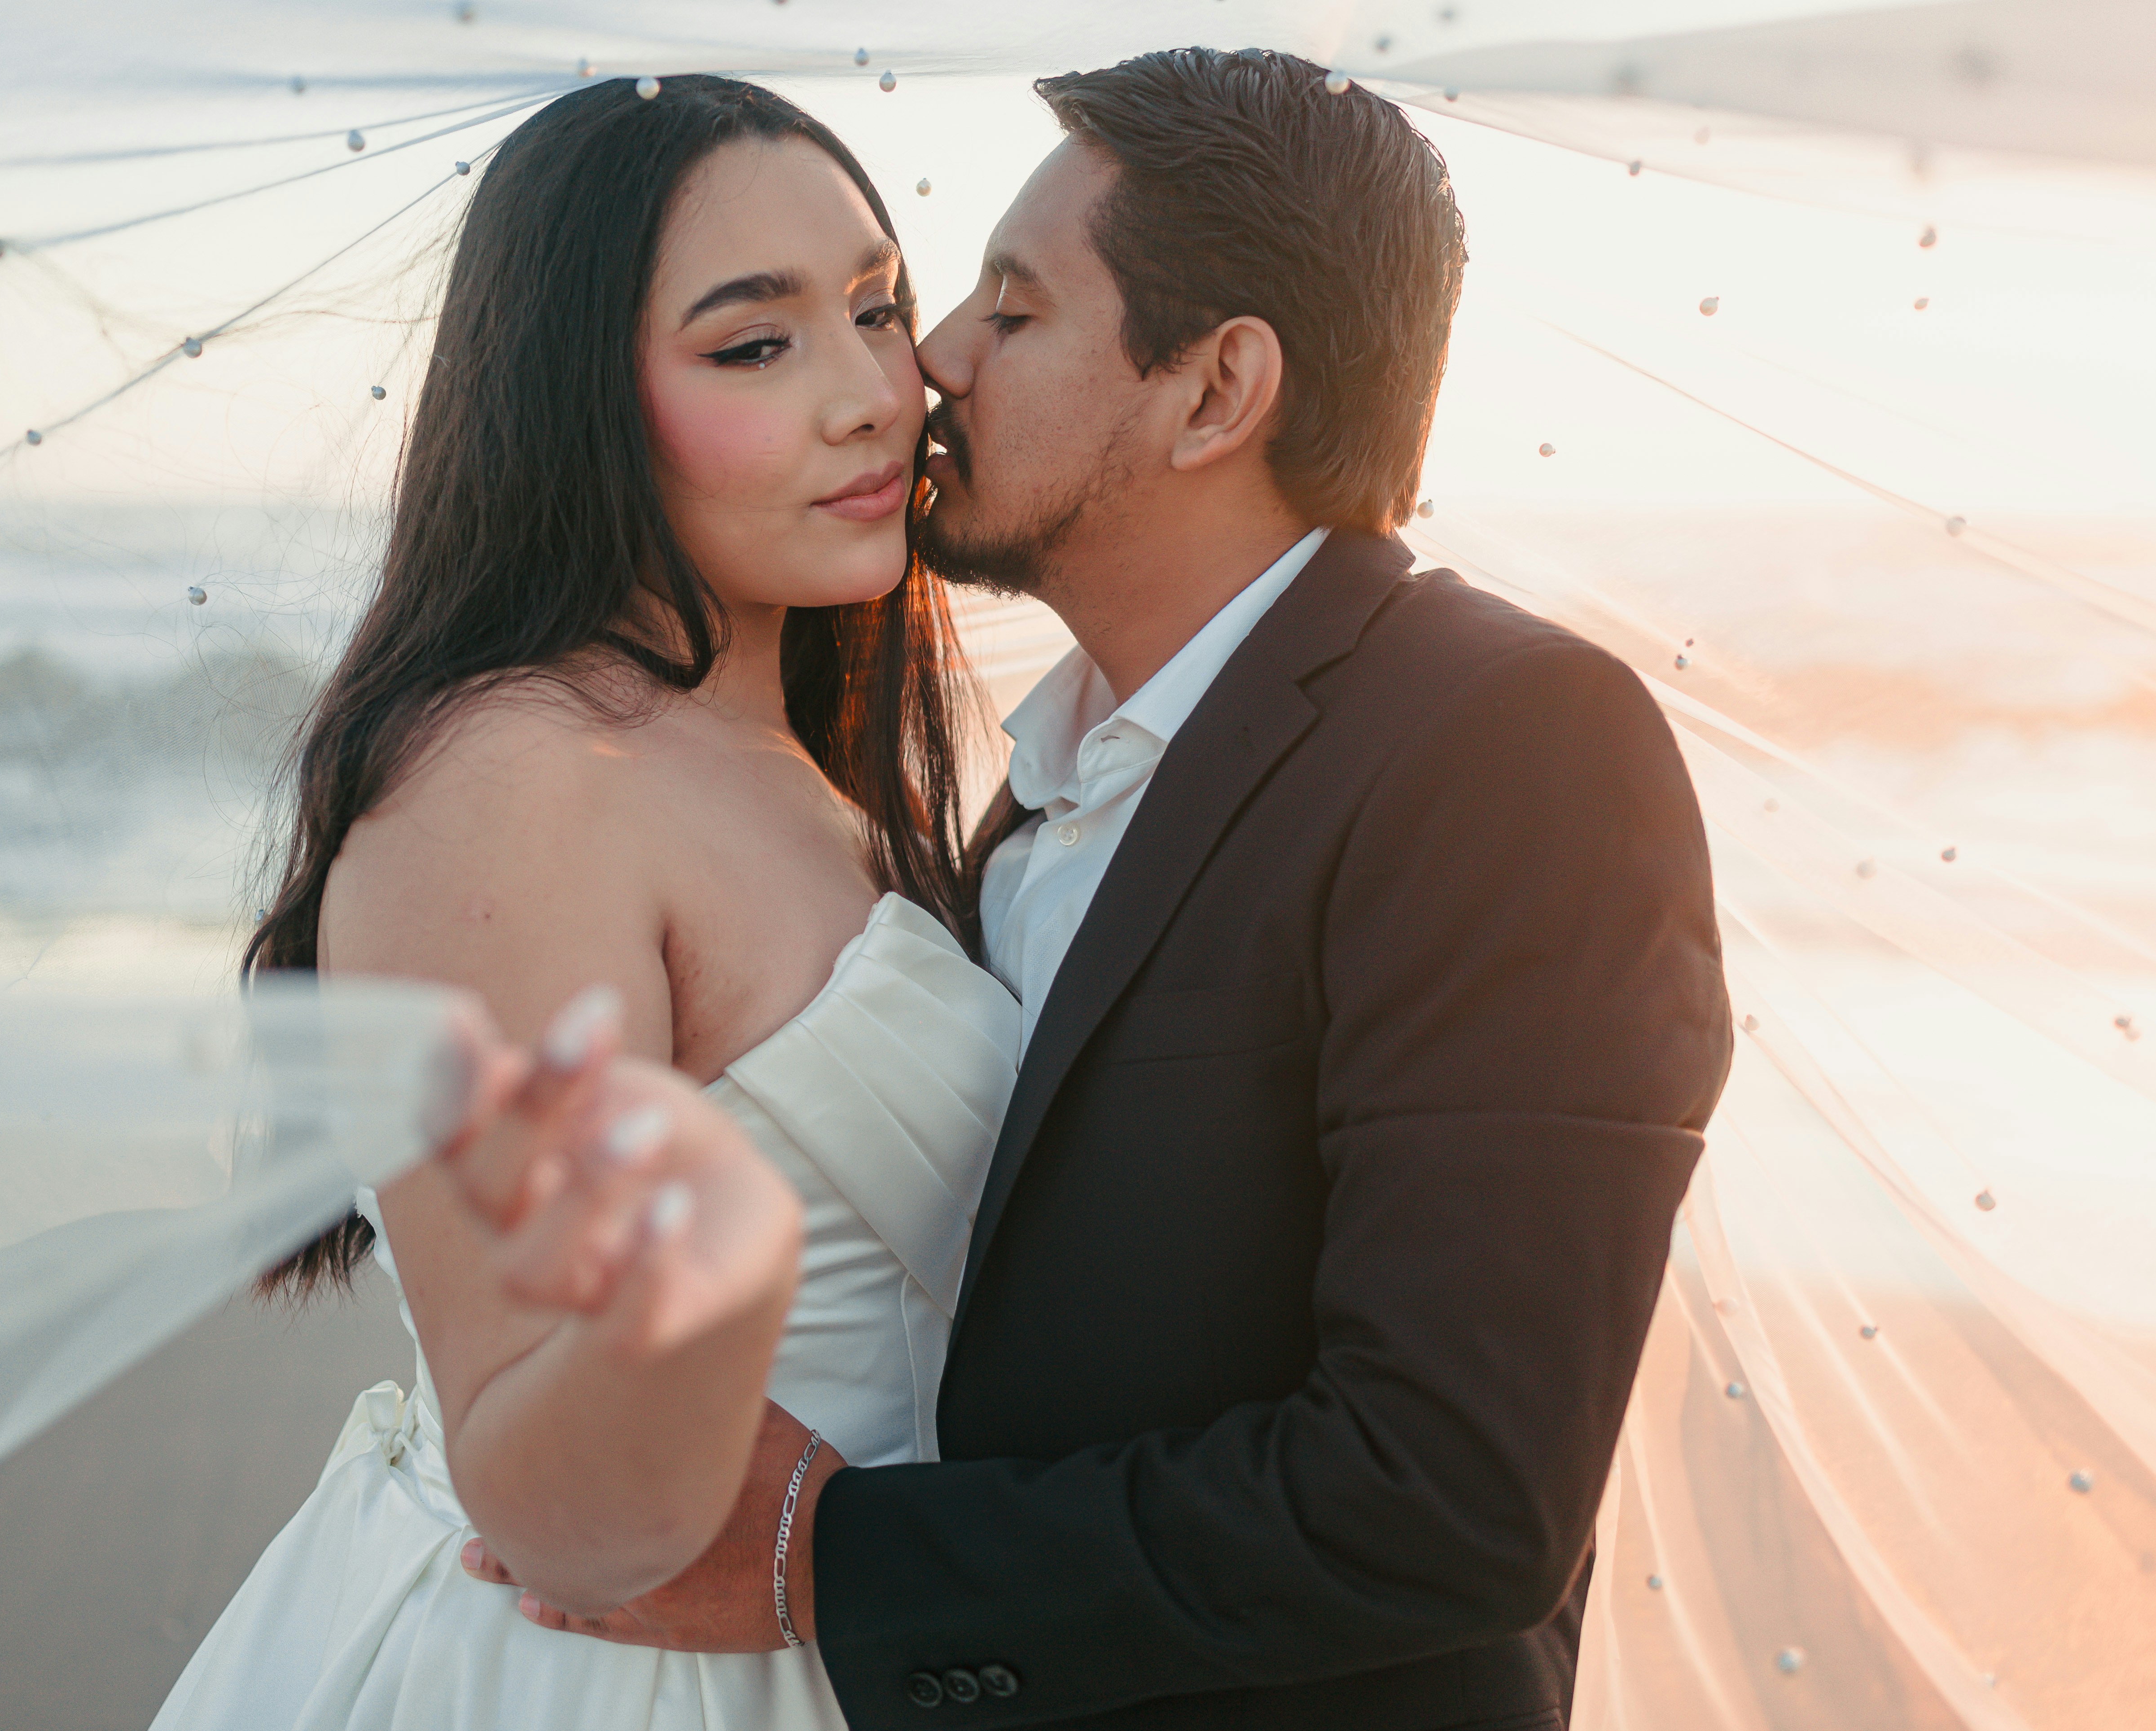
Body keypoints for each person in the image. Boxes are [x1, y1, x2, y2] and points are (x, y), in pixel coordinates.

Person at [455, 48, 1734, 1731]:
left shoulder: (1506, 744)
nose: (927, 366)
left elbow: (1451, 1489)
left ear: (1215, 392)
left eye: (1009, 308)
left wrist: (822, 1564)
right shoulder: (1050, 778)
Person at [150, 74, 1024, 1731]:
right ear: (580, 405)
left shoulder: (785, 749)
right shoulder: (517, 784)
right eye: (752, 345)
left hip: (861, 1642)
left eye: (874, 308)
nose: (872, 396)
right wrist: (698, 1276)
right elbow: (546, 1512)